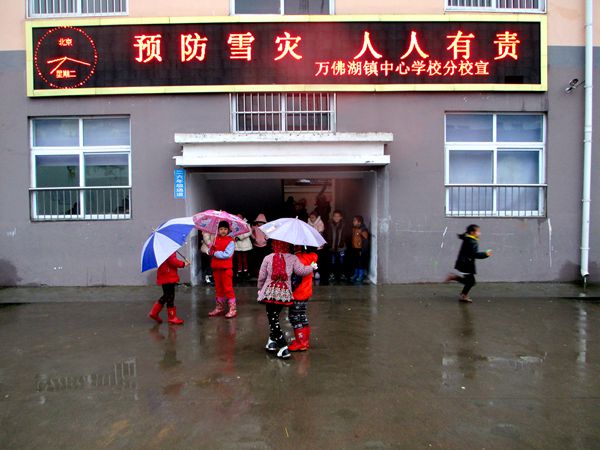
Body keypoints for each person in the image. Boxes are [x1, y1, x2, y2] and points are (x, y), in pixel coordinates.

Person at [257, 240, 316, 359]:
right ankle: (272, 342)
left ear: (273, 245)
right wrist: (311, 267)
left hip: (270, 293)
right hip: (284, 295)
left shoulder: (268, 257)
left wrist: (260, 288)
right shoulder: (293, 258)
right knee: (274, 318)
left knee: (273, 320)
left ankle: (283, 347)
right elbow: (301, 271)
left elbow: (262, 276)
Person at [446, 224, 493, 303]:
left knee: (470, 281)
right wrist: (486, 254)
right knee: (471, 282)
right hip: (466, 264)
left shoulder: (467, 238)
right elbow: (474, 254)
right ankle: (455, 280)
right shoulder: (472, 242)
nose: (479, 233)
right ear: (472, 232)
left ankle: (463, 294)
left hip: (463, 263)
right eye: (478, 232)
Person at [289, 246, 318, 352]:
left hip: (297, 293)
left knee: (295, 317)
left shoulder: (297, 258)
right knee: (302, 316)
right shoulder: (312, 258)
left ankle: (300, 343)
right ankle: (304, 341)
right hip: (306, 292)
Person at [148, 252, 189, 325]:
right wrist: (183, 264)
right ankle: (171, 317)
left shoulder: (163, 250)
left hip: (165, 274)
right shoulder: (168, 251)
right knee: (170, 296)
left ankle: (154, 312)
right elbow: (172, 261)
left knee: (167, 295)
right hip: (168, 275)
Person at [207, 221, 238, 318]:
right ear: (218, 230)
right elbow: (210, 252)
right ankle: (219, 307)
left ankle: (232, 309)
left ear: (228, 230)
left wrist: (215, 253)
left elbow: (227, 254)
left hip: (226, 269)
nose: (223, 231)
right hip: (216, 268)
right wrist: (210, 249)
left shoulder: (230, 241)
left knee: (228, 289)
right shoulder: (215, 239)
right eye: (221, 229)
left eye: (225, 229)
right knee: (218, 289)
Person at [326, 210, 348, 283]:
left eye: (338, 216)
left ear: (341, 217)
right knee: (333, 261)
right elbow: (327, 234)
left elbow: (346, 234)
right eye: (335, 216)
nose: (336, 217)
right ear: (332, 217)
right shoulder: (329, 224)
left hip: (341, 247)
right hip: (332, 247)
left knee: (342, 261)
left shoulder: (344, 225)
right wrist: (329, 243)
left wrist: (343, 241)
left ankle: (342, 274)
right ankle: (332, 275)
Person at [350, 215, 369, 284]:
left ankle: (360, 275)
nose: (353, 222)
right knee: (355, 261)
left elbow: (366, 238)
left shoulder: (363, 229)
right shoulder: (354, 228)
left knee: (360, 262)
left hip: (360, 248)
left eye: (355, 221)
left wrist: (363, 249)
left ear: (359, 222)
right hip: (355, 248)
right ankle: (356, 274)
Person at [234, 214, 252, 279]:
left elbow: (250, 232)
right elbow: (232, 233)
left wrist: (241, 237)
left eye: (240, 217)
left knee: (245, 259)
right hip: (237, 244)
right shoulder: (234, 224)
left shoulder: (246, 224)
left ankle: (246, 271)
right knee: (238, 259)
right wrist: (235, 237)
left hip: (245, 244)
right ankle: (239, 272)